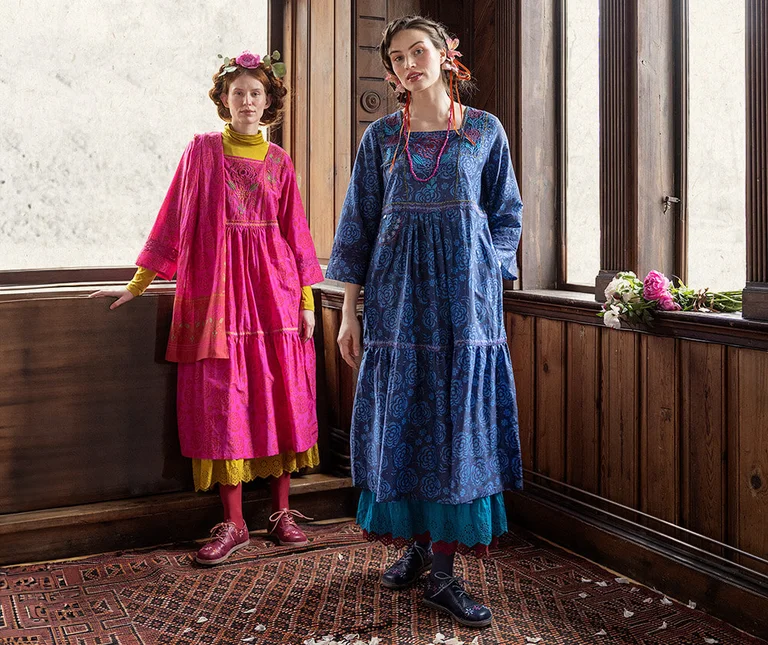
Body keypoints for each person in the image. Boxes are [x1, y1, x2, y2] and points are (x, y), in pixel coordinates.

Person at [325, 16, 523, 627]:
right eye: (398, 58)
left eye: (420, 51)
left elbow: (507, 214)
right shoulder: (381, 138)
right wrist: (349, 314)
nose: (410, 64)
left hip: (466, 309)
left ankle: (442, 573)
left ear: (444, 56)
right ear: (392, 72)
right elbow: (356, 227)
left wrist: (486, 267)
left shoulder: (486, 132)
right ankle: (414, 548)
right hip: (396, 303)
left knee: (455, 422)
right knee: (406, 418)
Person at [91, 49, 323, 565]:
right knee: (224, 400)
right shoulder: (200, 151)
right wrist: (138, 284)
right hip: (217, 292)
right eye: (237, 92)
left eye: (256, 93)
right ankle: (234, 522)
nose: (247, 100)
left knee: (277, 392)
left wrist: (306, 300)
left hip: (275, 293)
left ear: (269, 102)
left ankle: (282, 513)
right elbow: (172, 217)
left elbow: (296, 234)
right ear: (223, 99)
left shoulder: (281, 162)